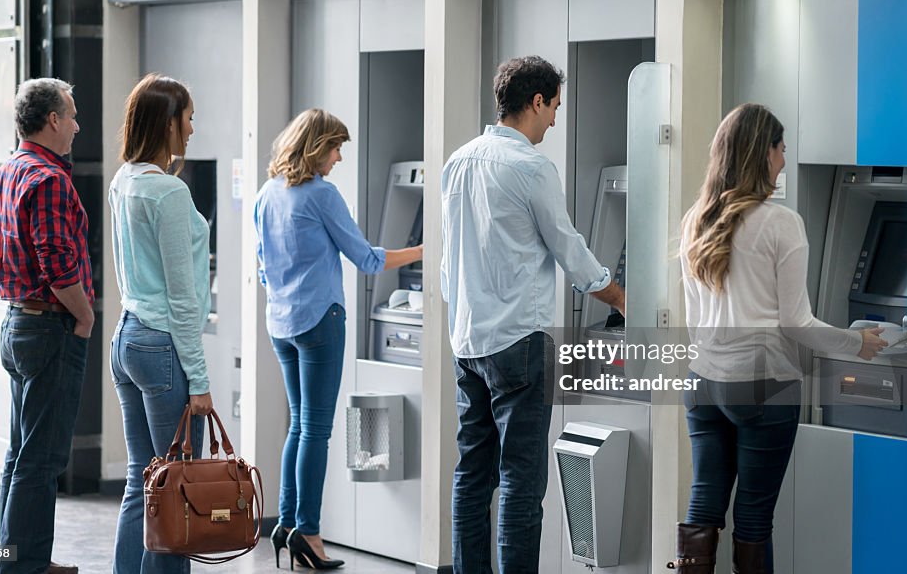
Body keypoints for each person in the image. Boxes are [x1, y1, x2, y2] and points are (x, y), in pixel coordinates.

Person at [669, 103, 887, 574]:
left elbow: (694, 323)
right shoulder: (780, 223)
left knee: (704, 505)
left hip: (703, 381)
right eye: (782, 149)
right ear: (762, 153)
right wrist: (859, 345)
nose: (785, 161)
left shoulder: (696, 220)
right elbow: (796, 323)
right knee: (752, 517)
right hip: (763, 384)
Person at [441, 55, 626, 574]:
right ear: (536, 101)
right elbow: (569, 248)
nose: (552, 121)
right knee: (522, 481)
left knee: (472, 476)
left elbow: (446, 258)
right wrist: (619, 297)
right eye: (553, 109)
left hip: (467, 342)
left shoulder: (458, 161)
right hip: (520, 342)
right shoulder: (531, 168)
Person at [253, 108, 423, 570]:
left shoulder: (267, 194)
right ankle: (309, 531)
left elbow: (263, 268)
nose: (339, 158)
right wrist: (428, 249)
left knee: (298, 426)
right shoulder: (321, 195)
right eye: (335, 148)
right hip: (320, 322)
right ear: (316, 147)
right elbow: (367, 259)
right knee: (317, 430)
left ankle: (286, 525)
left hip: (282, 324)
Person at [108, 73, 213, 574]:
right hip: (161, 344)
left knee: (141, 479)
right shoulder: (168, 193)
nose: (192, 129)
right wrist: (201, 380)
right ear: (167, 123)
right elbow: (183, 298)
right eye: (188, 118)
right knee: (174, 487)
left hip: (127, 336)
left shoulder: (122, 181)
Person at [0, 78, 92, 574]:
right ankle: (24, 566)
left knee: (21, 453)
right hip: (50, 327)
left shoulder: (12, 169)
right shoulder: (49, 179)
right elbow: (57, 263)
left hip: (17, 323)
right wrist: (86, 313)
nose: (76, 125)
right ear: (52, 119)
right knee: (42, 458)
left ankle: (21, 557)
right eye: (71, 115)